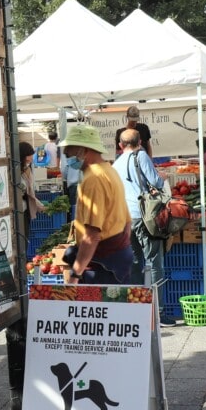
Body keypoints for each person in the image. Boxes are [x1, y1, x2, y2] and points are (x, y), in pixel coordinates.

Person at [60, 124, 133, 285]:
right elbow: (127, 222)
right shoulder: (109, 171)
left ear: (84, 150)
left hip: (103, 265)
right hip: (116, 258)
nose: (66, 154)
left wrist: (75, 275)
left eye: (70, 149)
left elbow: (92, 235)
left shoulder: (94, 179)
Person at [112, 129, 170, 304]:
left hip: (124, 218)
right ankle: (157, 309)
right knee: (154, 262)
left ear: (120, 145)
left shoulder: (116, 164)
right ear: (141, 142)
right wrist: (162, 177)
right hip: (143, 216)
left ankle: (138, 307)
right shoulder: (141, 156)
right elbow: (155, 182)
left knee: (135, 262)